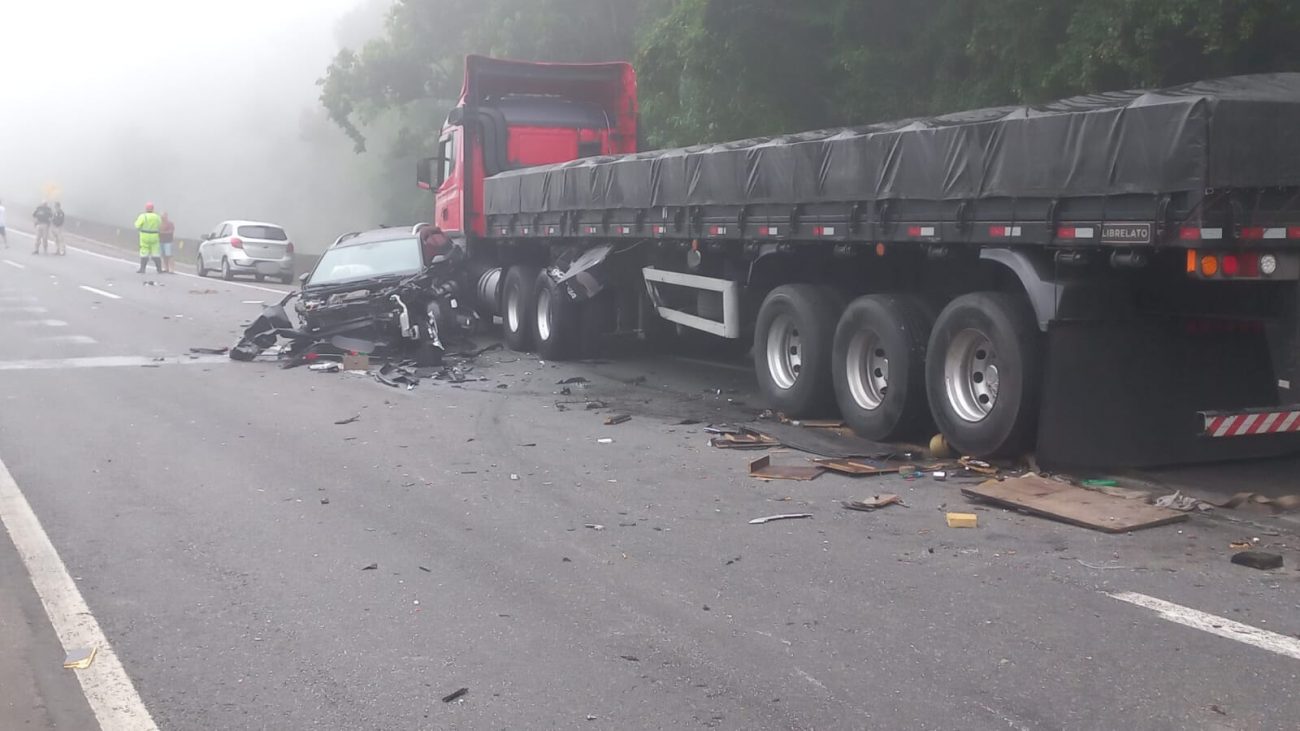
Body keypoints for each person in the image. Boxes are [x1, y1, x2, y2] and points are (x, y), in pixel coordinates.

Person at [134, 202, 163, 274]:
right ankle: (159, 269)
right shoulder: (157, 217)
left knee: (144, 252)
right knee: (156, 252)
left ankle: (142, 269)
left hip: (144, 236)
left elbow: (137, 225)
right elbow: (160, 225)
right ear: (153, 209)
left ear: (146, 208)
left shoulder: (143, 216)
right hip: (154, 236)